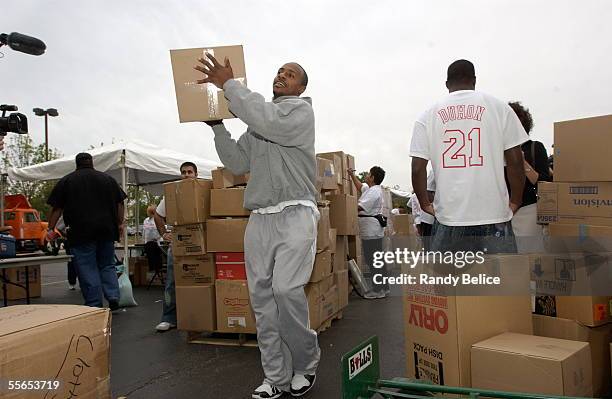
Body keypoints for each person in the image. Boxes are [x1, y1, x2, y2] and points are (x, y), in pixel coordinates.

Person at [196, 54, 319, 399]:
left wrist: (230, 85)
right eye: (280, 71)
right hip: (261, 217)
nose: (282, 75)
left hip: (296, 212)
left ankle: (305, 363)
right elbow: (236, 162)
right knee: (262, 299)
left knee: (285, 290)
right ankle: (275, 376)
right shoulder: (257, 124)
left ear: (302, 87)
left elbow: (270, 121)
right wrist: (218, 127)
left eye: (291, 73)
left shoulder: (300, 113)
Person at [410, 59, 528, 253]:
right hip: (494, 214)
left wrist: (424, 203)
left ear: (447, 84)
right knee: (502, 281)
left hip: (450, 216)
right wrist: (516, 200)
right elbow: (516, 162)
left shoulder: (427, 116)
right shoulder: (500, 109)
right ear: (474, 81)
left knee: (449, 281)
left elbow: (417, 168)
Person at [46, 153, 126, 308]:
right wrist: (119, 223)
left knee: (87, 267)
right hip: (106, 230)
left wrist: (50, 228)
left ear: (76, 164)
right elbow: (120, 203)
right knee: (107, 264)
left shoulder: (67, 181)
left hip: (80, 232)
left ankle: (94, 302)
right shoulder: (108, 179)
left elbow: (56, 208)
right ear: (92, 163)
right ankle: (113, 296)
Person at [153, 162, 198, 332]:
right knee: (172, 281)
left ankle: (200, 316)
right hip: (179, 243)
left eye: (189, 172)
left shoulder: (202, 190)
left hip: (200, 243)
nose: (186, 175)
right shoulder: (172, 194)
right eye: (183, 172)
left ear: (195, 174)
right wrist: (164, 233)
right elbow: (158, 215)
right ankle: (168, 318)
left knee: (199, 281)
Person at [506, 102, 552, 243]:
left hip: (527, 212)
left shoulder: (534, 147)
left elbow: (543, 183)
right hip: (501, 213)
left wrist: (522, 163)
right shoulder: (496, 150)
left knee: (528, 257)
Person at [348, 166, 388, 298]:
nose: (366, 176)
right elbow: (360, 186)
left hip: (372, 231)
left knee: (373, 261)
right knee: (376, 260)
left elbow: (359, 206)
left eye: (369, 174)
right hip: (370, 230)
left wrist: (343, 206)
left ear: (373, 178)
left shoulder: (374, 192)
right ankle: (384, 287)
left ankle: (378, 290)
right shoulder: (370, 189)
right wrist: (351, 175)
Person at [142, 205, 162, 273]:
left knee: (153, 249)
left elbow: (159, 232)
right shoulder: (146, 220)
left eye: (149, 212)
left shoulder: (157, 220)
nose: (148, 213)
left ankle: (156, 268)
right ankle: (154, 268)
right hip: (148, 242)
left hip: (156, 243)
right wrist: (144, 240)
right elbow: (144, 232)